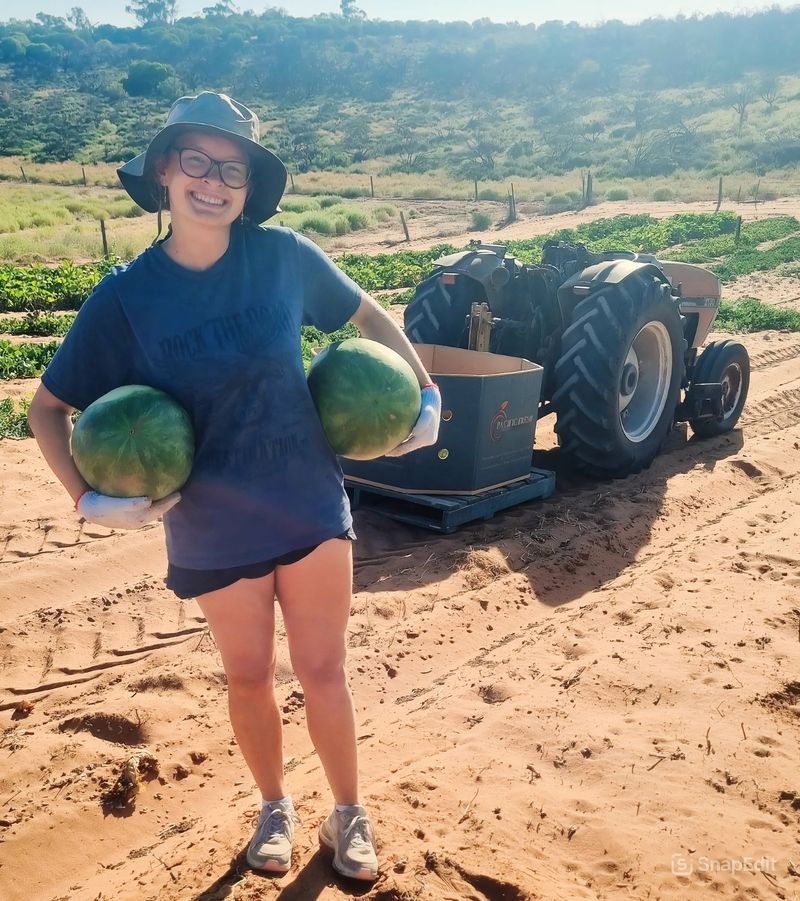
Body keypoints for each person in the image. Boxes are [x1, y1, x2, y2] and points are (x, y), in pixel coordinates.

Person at [27, 91, 441, 882]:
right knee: (249, 676)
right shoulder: (125, 296)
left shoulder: (283, 256)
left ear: (249, 187)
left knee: (324, 671)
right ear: (163, 171)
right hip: (211, 521)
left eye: (233, 169)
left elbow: (371, 317)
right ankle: (274, 805)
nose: (213, 182)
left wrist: (425, 392)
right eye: (197, 162)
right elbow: (49, 408)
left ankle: (349, 812)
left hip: (307, 501)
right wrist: (85, 497)